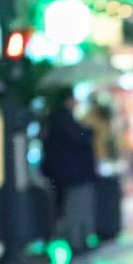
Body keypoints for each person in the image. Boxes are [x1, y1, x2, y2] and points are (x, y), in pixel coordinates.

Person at [42, 89, 99, 253]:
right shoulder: (62, 119)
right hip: (73, 175)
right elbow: (78, 139)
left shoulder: (56, 119)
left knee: (74, 208)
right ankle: (77, 241)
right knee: (76, 208)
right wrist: (88, 131)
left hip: (68, 174)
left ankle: (78, 240)